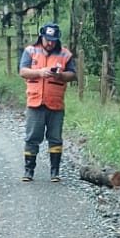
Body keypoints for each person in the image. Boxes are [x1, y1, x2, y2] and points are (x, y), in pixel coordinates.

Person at [19, 22, 76, 182]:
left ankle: (55, 172)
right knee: (32, 137)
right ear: (42, 37)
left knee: (55, 138)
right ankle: (28, 171)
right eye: (47, 40)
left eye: (53, 40)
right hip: (35, 102)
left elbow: (72, 74)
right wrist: (39, 72)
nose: (50, 43)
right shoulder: (30, 51)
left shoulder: (65, 54)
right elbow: (23, 71)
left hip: (56, 103)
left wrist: (60, 75)